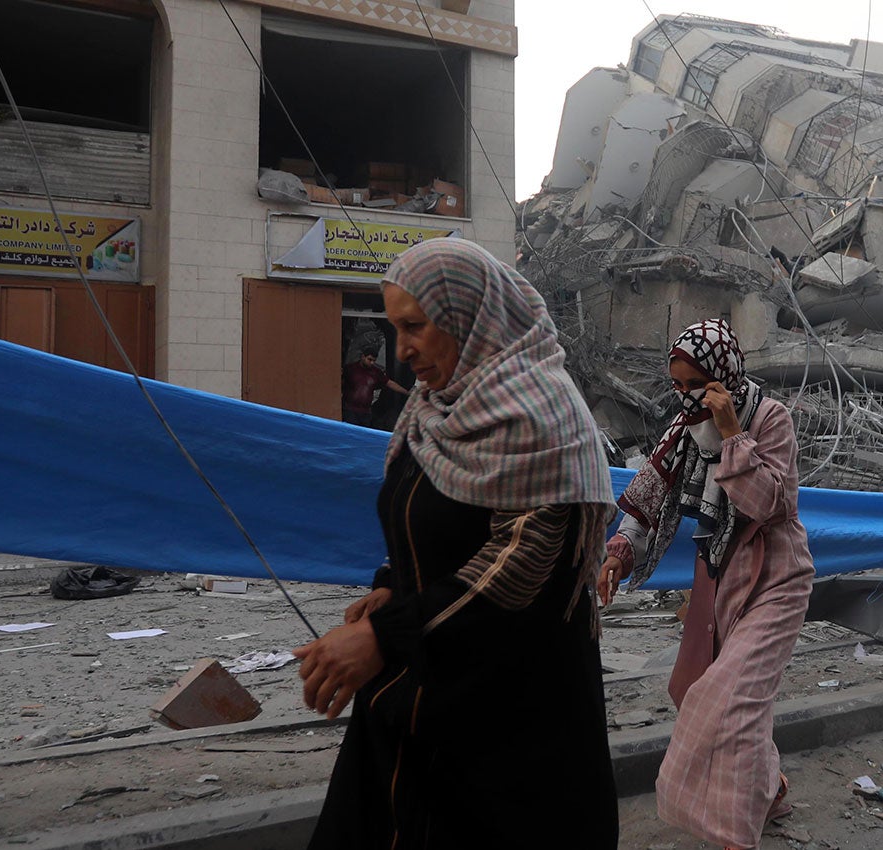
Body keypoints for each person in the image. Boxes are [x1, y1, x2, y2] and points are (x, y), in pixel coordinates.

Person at [295, 239, 619, 849]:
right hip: (421, 695)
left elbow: (520, 567)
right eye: (395, 328)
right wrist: (391, 586)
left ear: (468, 315)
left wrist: (382, 636)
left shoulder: (545, 417)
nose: (402, 348)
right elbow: (429, 520)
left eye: (415, 326)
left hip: (508, 731)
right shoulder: (433, 406)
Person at [596, 319, 815, 850]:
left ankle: (734, 835)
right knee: (704, 691)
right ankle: (773, 790)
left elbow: (770, 503)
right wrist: (621, 552)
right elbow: (653, 491)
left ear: (722, 375)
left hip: (773, 576)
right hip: (717, 573)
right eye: (678, 385)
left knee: (728, 700)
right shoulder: (683, 430)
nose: (687, 396)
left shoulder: (769, 418)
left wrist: (733, 434)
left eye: (696, 383)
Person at [340, 348, 406, 428]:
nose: (372, 363)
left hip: (366, 412)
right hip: (350, 410)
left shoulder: (376, 372)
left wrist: (406, 392)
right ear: (363, 357)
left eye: (374, 360)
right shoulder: (350, 369)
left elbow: (389, 383)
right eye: (369, 359)